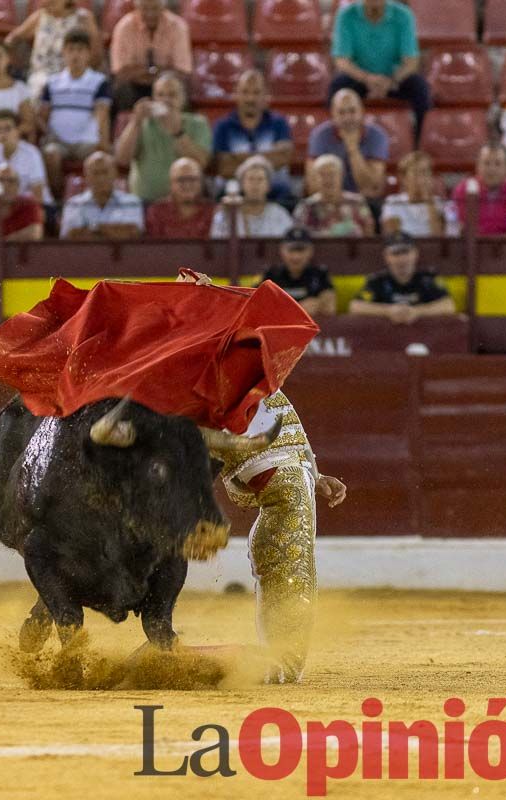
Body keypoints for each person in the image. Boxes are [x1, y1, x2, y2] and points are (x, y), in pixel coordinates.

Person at [177, 268, 347, 684]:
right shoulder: (202, 369)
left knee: (288, 573)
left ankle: (277, 663)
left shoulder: (240, 365)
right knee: (291, 575)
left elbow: (277, 420)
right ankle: (277, 665)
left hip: (285, 482)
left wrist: (315, 473)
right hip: (278, 486)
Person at [329, 0, 429, 136]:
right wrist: (367, 79)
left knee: (420, 88)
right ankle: (337, 140)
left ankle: (419, 143)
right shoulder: (346, 15)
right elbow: (341, 60)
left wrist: (391, 81)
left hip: (394, 79)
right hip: (359, 79)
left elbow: (411, 61)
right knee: (337, 89)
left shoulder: (404, 15)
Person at [114, 72, 210, 203]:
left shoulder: (198, 123)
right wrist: (135, 122)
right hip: (143, 201)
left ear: (183, 98)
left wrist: (177, 132)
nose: (166, 100)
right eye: (160, 95)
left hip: (183, 203)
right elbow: (122, 159)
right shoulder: (141, 123)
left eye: (172, 95)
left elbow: (201, 163)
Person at [37, 28, 111, 198]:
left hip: (87, 141)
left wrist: (103, 142)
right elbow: (43, 115)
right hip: (58, 141)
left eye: (80, 50)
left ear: (88, 53)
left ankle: (90, 197)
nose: (75, 55)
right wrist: (47, 132)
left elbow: (102, 114)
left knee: (98, 159)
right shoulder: (52, 82)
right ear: (64, 52)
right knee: (50, 154)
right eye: (70, 50)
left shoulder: (99, 81)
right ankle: (58, 199)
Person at [212, 71, 294, 204]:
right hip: (233, 194)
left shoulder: (279, 123)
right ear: (236, 94)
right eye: (245, 92)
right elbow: (224, 167)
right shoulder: (223, 126)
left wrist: (237, 158)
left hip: (275, 192)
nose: (250, 99)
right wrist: (269, 156)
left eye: (256, 93)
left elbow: (282, 159)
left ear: (265, 95)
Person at [349, 231, 456, 323]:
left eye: (405, 252)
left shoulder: (428, 279)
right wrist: (388, 311)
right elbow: (355, 306)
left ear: (415, 253)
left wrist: (417, 312)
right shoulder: (378, 281)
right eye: (395, 253)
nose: (401, 259)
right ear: (386, 257)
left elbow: (448, 305)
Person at [6, 0, 102, 99]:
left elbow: (97, 53)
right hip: (40, 75)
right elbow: (13, 39)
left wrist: (81, 73)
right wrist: (11, 63)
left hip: (72, 75)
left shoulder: (83, 18)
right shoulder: (39, 17)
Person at [108, 0, 191, 112]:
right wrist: (155, 71)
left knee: (180, 90)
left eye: (155, 8)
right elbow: (120, 73)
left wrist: (144, 72)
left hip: (167, 85)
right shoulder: (124, 27)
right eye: (145, 8)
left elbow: (182, 71)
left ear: (163, 7)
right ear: (137, 8)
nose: (150, 13)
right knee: (119, 90)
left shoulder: (178, 27)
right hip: (134, 86)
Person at [307, 89, 387, 200]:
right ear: (332, 113)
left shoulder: (377, 135)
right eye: (341, 112)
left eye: (352, 111)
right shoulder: (319, 135)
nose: (347, 118)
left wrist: (353, 149)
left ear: (362, 111)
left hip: (365, 202)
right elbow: (313, 185)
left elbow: (371, 185)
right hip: (329, 200)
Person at [0, 109, 51, 204]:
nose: (3, 134)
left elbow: (38, 194)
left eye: (8, 129)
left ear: (17, 130)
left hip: (30, 206)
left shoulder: (32, 153)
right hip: (4, 207)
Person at [449, 143, 506, 236]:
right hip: (472, 247)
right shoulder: (463, 189)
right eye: (486, 163)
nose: (491, 169)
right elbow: (458, 229)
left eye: (497, 164)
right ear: (478, 166)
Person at [58, 151, 144, 239]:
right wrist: (113, 230)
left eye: (105, 172)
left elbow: (132, 234)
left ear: (115, 174)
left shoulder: (132, 202)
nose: (101, 178)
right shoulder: (73, 204)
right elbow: (70, 237)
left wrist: (93, 229)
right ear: (86, 177)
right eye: (96, 173)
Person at [258, 227, 336, 318]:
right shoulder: (271, 275)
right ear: (282, 250)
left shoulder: (320, 274)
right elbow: (257, 303)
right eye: (291, 250)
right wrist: (299, 309)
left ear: (310, 251)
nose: (296, 256)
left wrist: (318, 304)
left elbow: (331, 307)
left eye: (301, 250)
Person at [292, 153, 375, 237]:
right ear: (315, 179)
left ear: (341, 176)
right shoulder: (306, 206)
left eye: (332, 174)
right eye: (322, 175)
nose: (328, 180)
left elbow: (369, 234)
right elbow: (300, 237)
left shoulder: (357, 203)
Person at [210, 155, 293, 239]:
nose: (255, 184)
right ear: (241, 184)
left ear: (269, 186)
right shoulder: (228, 213)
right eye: (250, 179)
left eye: (260, 179)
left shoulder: (280, 214)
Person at [381, 151, 455, 237]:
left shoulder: (438, 203)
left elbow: (438, 238)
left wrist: (428, 201)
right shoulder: (393, 202)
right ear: (403, 178)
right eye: (416, 173)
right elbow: (392, 236)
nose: (421, 178)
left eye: (425, 172)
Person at [145, 157, 213, 238]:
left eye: (193, 179)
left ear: (201, 183)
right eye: (181, 180)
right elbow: (153, 247)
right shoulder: (156, 212)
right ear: (170, 184)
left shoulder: (213, 211)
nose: (187, 185)